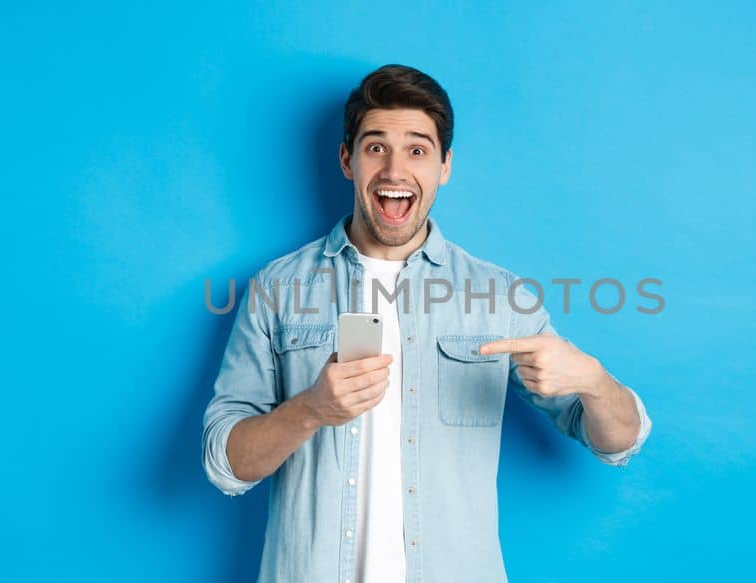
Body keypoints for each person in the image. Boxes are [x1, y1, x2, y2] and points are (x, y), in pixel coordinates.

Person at [201, 64, 652, 583]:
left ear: (445, 166)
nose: (395, 171)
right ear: (347, 160)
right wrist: (309, 409)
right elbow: (224, 464)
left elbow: (619, 441)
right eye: (376, 147)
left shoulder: (499, 297)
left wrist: (593, 381)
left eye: (417, 150)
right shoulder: (276, 290)